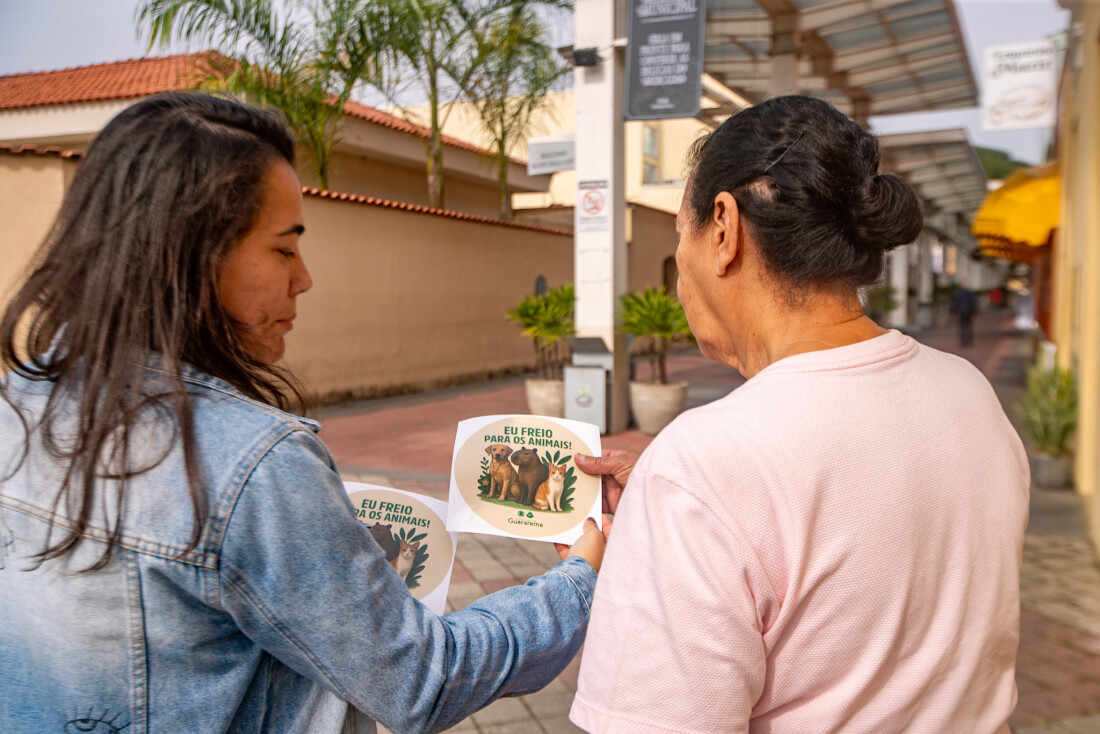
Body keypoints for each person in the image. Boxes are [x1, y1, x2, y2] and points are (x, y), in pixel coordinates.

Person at [0, 92, 613, 734]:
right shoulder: (253, 466)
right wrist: (579, 578)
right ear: (193, 256)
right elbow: (421, 680)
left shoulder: (18, 403)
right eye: (284, 250)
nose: (305, 279)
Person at [569, 96, 1029, 733]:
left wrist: (690, 495)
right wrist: (690, 498)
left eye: (683, 240)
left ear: (723, 229)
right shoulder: (968, 390)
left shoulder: (705, 462)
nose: (681, 277)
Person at [951, 281, 980, 347]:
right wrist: (975, 312)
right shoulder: (971, 294)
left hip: (961, 312)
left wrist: (954, 312)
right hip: (969, 312)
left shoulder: (958, 294)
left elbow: (955, 303)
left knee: (962, 327)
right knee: (969, 327)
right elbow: (973, 303)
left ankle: (963, 342)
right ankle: (969, 342)